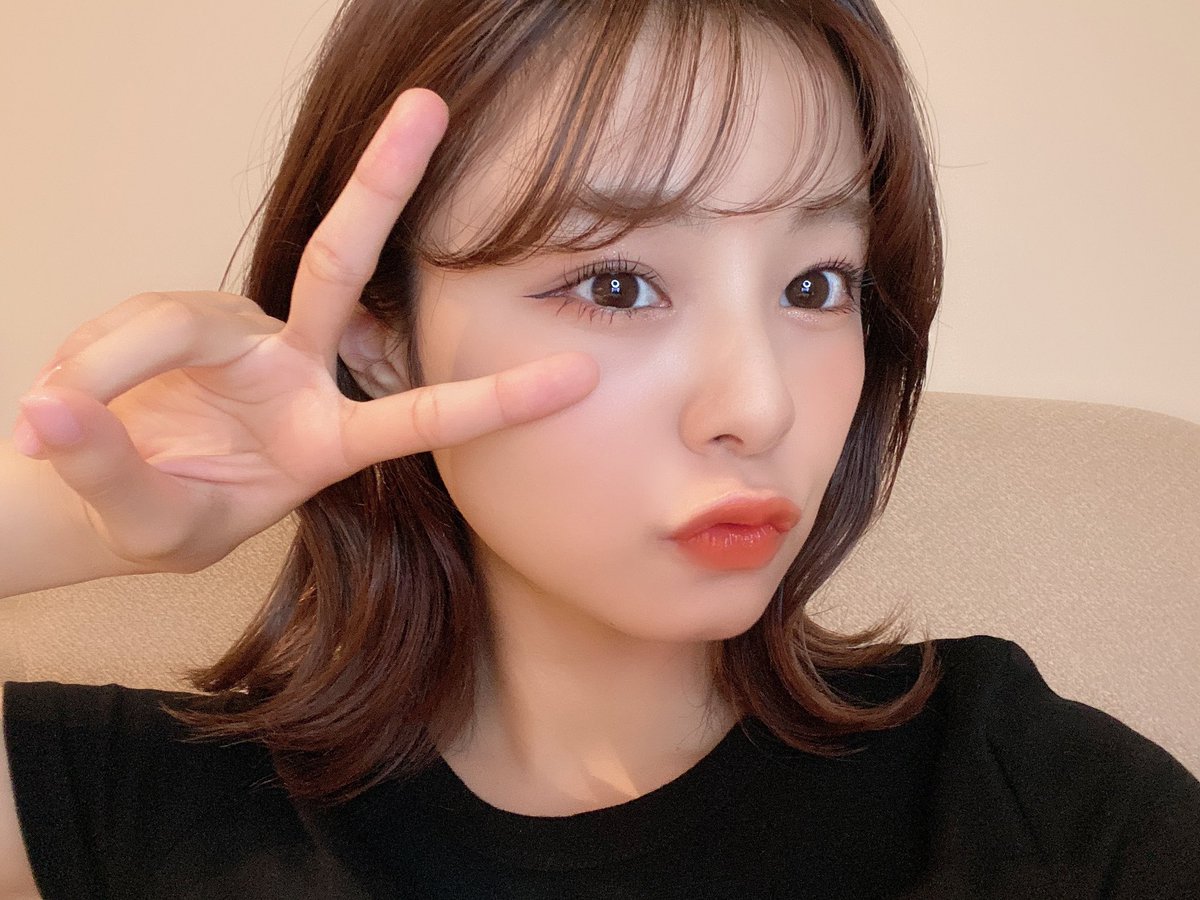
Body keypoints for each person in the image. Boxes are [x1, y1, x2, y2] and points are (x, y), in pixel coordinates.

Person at [1, 0, 1197, 897]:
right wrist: (75, 515)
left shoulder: (1022, 796)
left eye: (816, 284)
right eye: (617, 283)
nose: (760, 406)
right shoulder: (151, 805)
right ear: (384, 342)